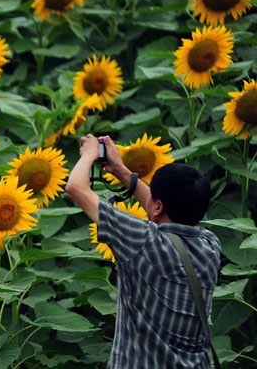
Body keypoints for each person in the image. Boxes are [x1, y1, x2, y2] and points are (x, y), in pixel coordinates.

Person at [65, 134, 221, 369]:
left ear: (158, 206)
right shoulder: (210, 246)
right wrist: (119, 169)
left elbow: (76, 187)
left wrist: (89, 154)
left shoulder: (143, 241)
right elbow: (160, 204)